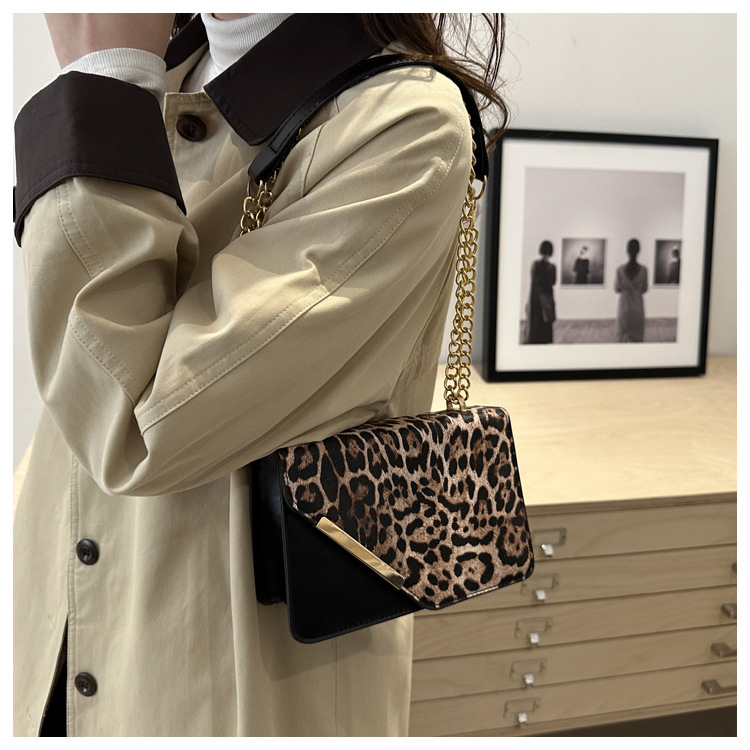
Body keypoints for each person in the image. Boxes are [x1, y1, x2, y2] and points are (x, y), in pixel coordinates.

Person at [13, 13, 508, 737]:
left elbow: (137, 423)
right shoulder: (160, 66)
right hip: (49, 632)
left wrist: (102, 86)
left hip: (227, 687)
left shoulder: (403, 123)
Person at [615, 238, 649, 342]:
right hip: (637, 305)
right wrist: (636, 289)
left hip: (624, 305)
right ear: (639, 251)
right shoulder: (644, 270)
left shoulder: (620, 269)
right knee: (637, 337)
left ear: (627, 250)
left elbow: (617, 288)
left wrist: (626, 288)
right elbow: (644, 289)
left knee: (622, 337)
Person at [525, 240, 557, 344]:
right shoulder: (548, 267)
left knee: (542, 320)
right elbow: (549, 281)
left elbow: (550, 281)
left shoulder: (540, 265)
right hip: (541, 297)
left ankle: (539, 340)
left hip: (541, 297)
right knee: (541, 320)